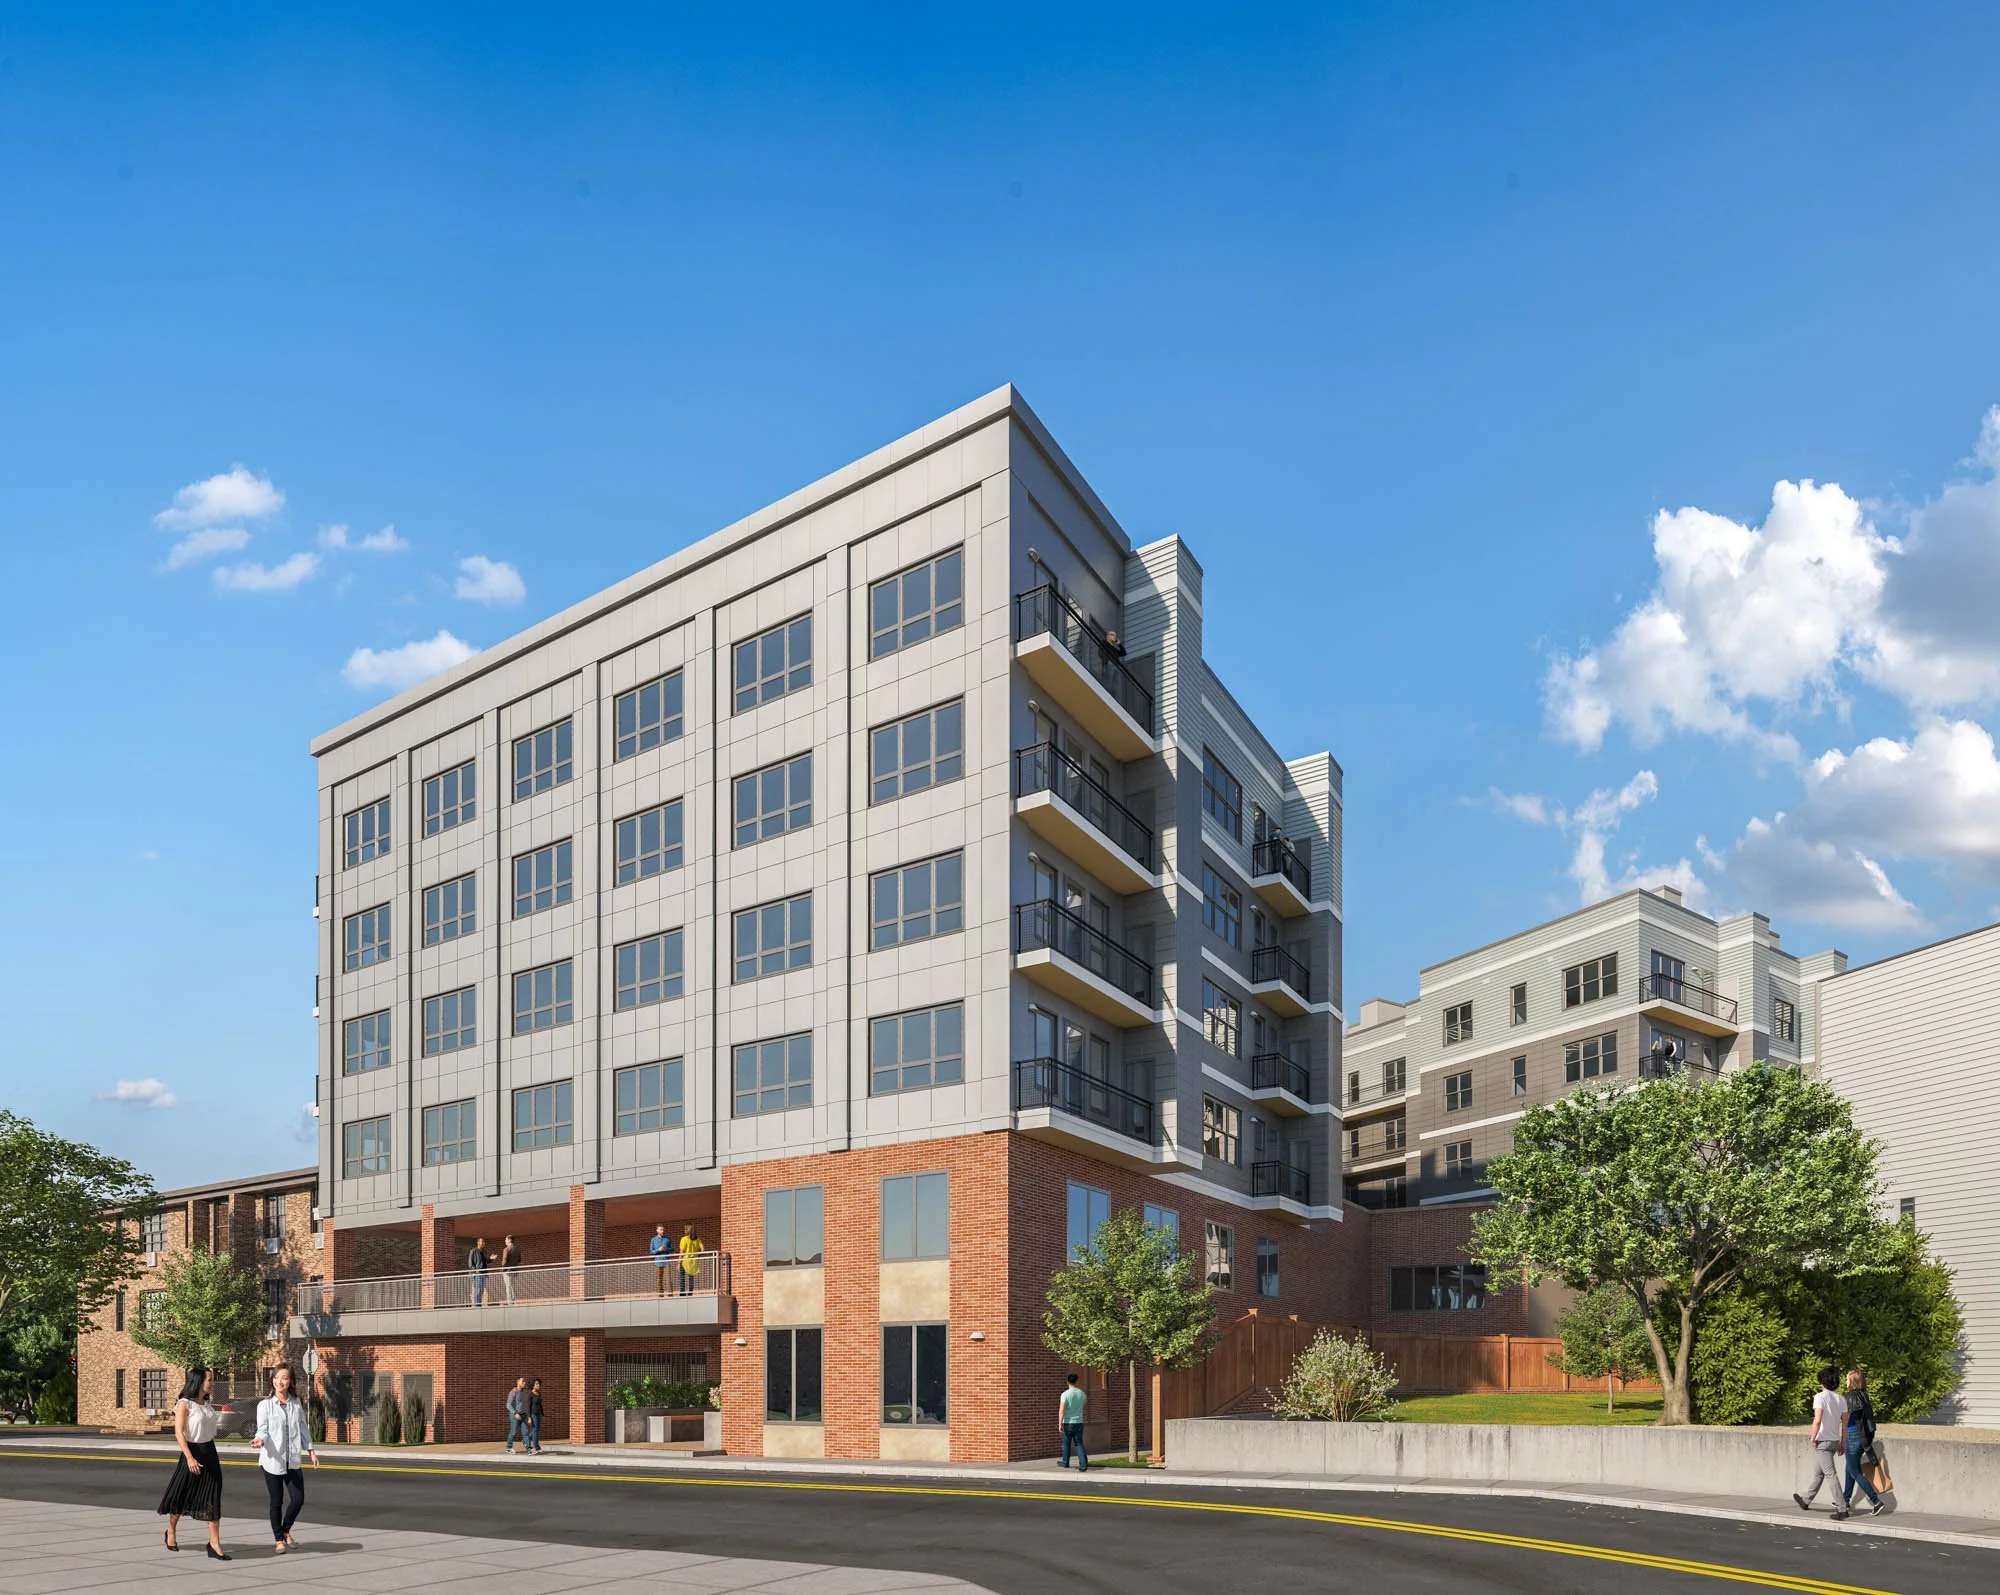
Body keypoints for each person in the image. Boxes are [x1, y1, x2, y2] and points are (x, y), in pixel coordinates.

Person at [157, 1366, 230, 1559]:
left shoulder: (207, 1403)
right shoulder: (184, 1404)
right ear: (198, 1381)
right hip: (192, 1452)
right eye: (209, 1380)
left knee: (213, 1496)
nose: (212, 1383)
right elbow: (179, 1433)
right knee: (181, 1495)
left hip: (210, 1453)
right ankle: (171, 1531)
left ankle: (214, 1543)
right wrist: (190, 1457)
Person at [251, 1365, 320, 1553]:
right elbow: (262, 1429)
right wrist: (259, 1440)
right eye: (276, 1377)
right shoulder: (264, 1405)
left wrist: (311, 1450)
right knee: (276, 1501)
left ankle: (285, 1529)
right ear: (272, 1380)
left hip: (292, 1460)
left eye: (284, 1378)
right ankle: (279, 1539)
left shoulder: (296, 1403)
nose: (279, 1382)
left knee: (298, 1499)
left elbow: (303, 1428)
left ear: (290, 1381)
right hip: (272, 1460)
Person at [1793, 1365, 1849, 1517]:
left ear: (1822, 1382)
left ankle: (1842, 1509)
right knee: (1819, 1473)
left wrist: (1813, 1437)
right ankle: (1805, 1500)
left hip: (1822, 1441)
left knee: (1830, 1474)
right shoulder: (1841, 1399)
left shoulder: (1820, 1397)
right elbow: (1845, 1423)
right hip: (1834, 1441)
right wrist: (1843, 1442)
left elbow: (1817, 1420)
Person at [1841, 1368, 1886, 1517]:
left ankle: (1876, 1502)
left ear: (1852, 1381)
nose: (1845, 1381)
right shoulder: (1864, 1395)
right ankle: (1845, 1500)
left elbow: (1845, 1418)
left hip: (1853, 1436)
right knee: (1849, 1468)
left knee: (1855, 1472)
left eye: (1847, 1378)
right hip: (1863, 1437)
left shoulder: (1849, 1397)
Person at [1058, 1373, 1089, 1472]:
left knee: (1066, 1443)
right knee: (1079, 1443)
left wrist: (1060, 1423)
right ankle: (1083, 1464)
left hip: (1068, 1422)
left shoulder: (1065, 1394)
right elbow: (1083, 1405)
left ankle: (1065, 1462)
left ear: (1067, 1381)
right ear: (1076, 1381)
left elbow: (1062, 1410)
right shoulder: (1082, 1394)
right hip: (1079, 1422)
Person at [504, 1376, 531, 1453]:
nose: (524, 1383)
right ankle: (509, 1447)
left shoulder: (524, 1392)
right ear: (518, 1382)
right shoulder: (513, 1392)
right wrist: (515, 1413)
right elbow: (508, 1405)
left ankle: (529, 1448)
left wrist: (528, 1416)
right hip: (514, 1415)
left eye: (524, 1382)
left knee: (525, 1432)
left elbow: (525, 1405)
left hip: (523, 1415)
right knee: (513, 1432)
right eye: (522, 1381)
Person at [677, 1222, 703, 1296]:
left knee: (682, 1277)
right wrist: (698, 1256)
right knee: (691, 1278)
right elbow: (702, 1249)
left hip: (685, 1261)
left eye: (685, 1229)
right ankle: (690, 1293)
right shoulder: (697, 1239)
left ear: (687, 1230)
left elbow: (682, 1251)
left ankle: (682, 1293)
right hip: (693, 1261)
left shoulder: (684, 1239)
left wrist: (679, 1262)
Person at [650, 1223, 673, 1296]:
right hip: (658, 1262)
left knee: (668, 1279)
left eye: (663, 1229)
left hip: (666, 1261)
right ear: (657, 1230)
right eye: (661, 1230)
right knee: (659, 1279)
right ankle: (660, 1295)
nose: (662, 1231)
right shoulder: (653, 1240)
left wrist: (666, 1249)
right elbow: (651, 1251)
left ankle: (670, 1294)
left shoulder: (667, 1239)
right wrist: (658, 1250)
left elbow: (672, 1249)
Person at [498, 1234, 521, 1304]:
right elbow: (519, 1260)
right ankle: (513, 1300)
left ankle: (510, 1302)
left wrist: (502, 1269)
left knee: (508, 1286)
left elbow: (504, 1261)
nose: (505, 1241)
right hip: (514, 1270)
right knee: (512, 1286)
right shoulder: (517, 1249)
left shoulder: (506, 1249)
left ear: (509, 1240)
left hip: (507, 1271)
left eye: (506, 1239)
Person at [468, 1237, 490, 1307]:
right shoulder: (473, 1251)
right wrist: (475, 1270)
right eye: (482, 1241)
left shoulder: (483, 1251)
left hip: (484, 1273)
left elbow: (485, 1261)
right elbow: (470, 1264)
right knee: (477, 1289)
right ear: (478, 1242)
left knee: (482, 1290)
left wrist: (491, 1259)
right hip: (478, 1274)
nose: (483, 1243)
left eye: (484, 1242)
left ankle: (479, 1304)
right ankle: (477, 1305)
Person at [526, 1377, 546, 1454]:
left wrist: (542, 1413)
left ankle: (526, 1440)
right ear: (532, 1385)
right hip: (533, 1414)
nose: (538, 1385)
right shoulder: (530, 1394)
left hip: (538, 1414)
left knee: (536, 1430)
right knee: (535, 1431)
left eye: (539, 1383)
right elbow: (528, 1407)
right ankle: (537, 1447)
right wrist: (529, 1417)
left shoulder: (538, 1393)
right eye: (536, 1384)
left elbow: (540, 1405)